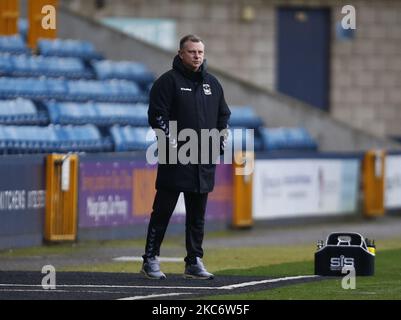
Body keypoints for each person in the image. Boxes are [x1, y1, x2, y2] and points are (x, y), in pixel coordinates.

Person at [141, 34, 231, 280]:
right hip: (175, 159)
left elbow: (224, 115)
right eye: (192, 52)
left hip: (203, 161)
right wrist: (171, 143)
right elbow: (157, 116)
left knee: (197, 216)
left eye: (200, 52)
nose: (197, 56)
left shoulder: (213, 84)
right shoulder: (167, 82)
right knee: (163, 211)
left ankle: (194, 261)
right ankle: (150, 258)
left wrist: (221, 138)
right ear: (181, 53)